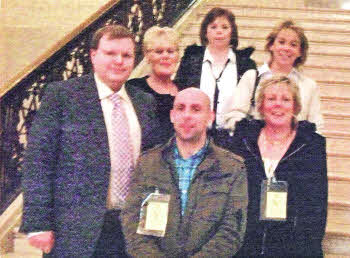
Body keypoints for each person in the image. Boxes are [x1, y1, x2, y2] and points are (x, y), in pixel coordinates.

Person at [20, 25, 161, 257]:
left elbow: (152, 166)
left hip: (130, 229)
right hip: (75, 231)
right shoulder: (63, 96)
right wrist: (38, 223)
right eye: (110, 53)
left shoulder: (144, 102)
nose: (119, 61)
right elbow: (38, 162)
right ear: (93, 55)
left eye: (126, 55)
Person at [121, 87, 248, 257]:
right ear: (172, 115)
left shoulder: (232, 168)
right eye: (181, 108)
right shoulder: (147, 163)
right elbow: (132, 223)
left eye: (196, 109)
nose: (187, 115)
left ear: (210, 117)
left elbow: (231, 231)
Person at [227, 75, 328, 257]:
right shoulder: (243, 140)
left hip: (291, 245)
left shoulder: (311, 144)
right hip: (246, 243)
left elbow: (316, 206)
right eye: (271, 99)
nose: (278, 104)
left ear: (295, 106)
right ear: (261, 105)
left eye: (286, 99)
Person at [225, 20, 324, 132]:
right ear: (271, 45)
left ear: (300, 52)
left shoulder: (309, 86)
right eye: (281, 42)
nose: (286, 48)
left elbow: (316, 126)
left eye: (293, 45)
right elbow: (234, 114)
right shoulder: (251, 77)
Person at [174, 7, 256, 130]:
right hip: (196, 132)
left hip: (231, 136)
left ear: (232, 32)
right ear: (205, 32)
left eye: (224, 27)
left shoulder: (246, 65)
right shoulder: (190, 61)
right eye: (213, 27)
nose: (219, 31)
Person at [127, 26, 179, 142]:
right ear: (147, 56)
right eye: (159, 52)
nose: (165, 56)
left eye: (170, 51)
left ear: (177, 56)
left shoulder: (186, 91)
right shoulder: (133, 89)